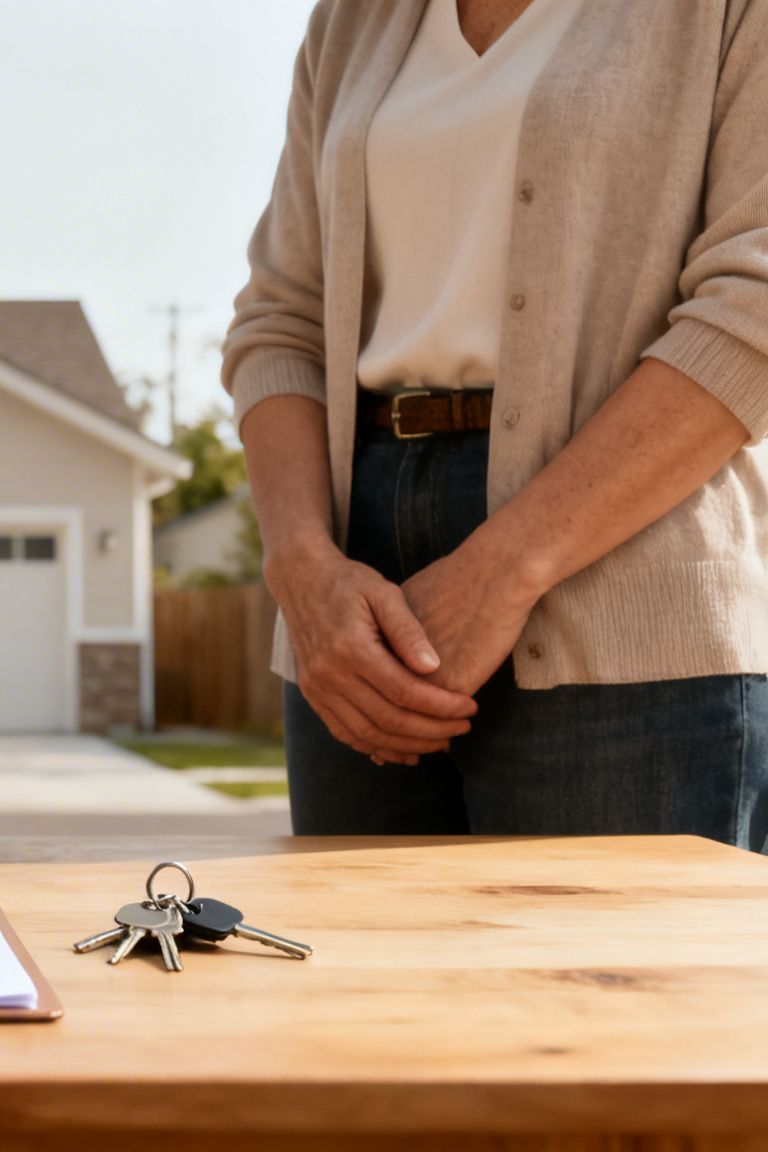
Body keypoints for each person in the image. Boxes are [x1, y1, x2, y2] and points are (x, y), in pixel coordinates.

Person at [224, 0, 768, 848]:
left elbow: (755, 305)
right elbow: (279, 320)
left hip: (622, 570)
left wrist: (508, 565)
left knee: (608, 979)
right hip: (354, 592)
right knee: (372, 977)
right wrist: (300, 564)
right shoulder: (351, 21)